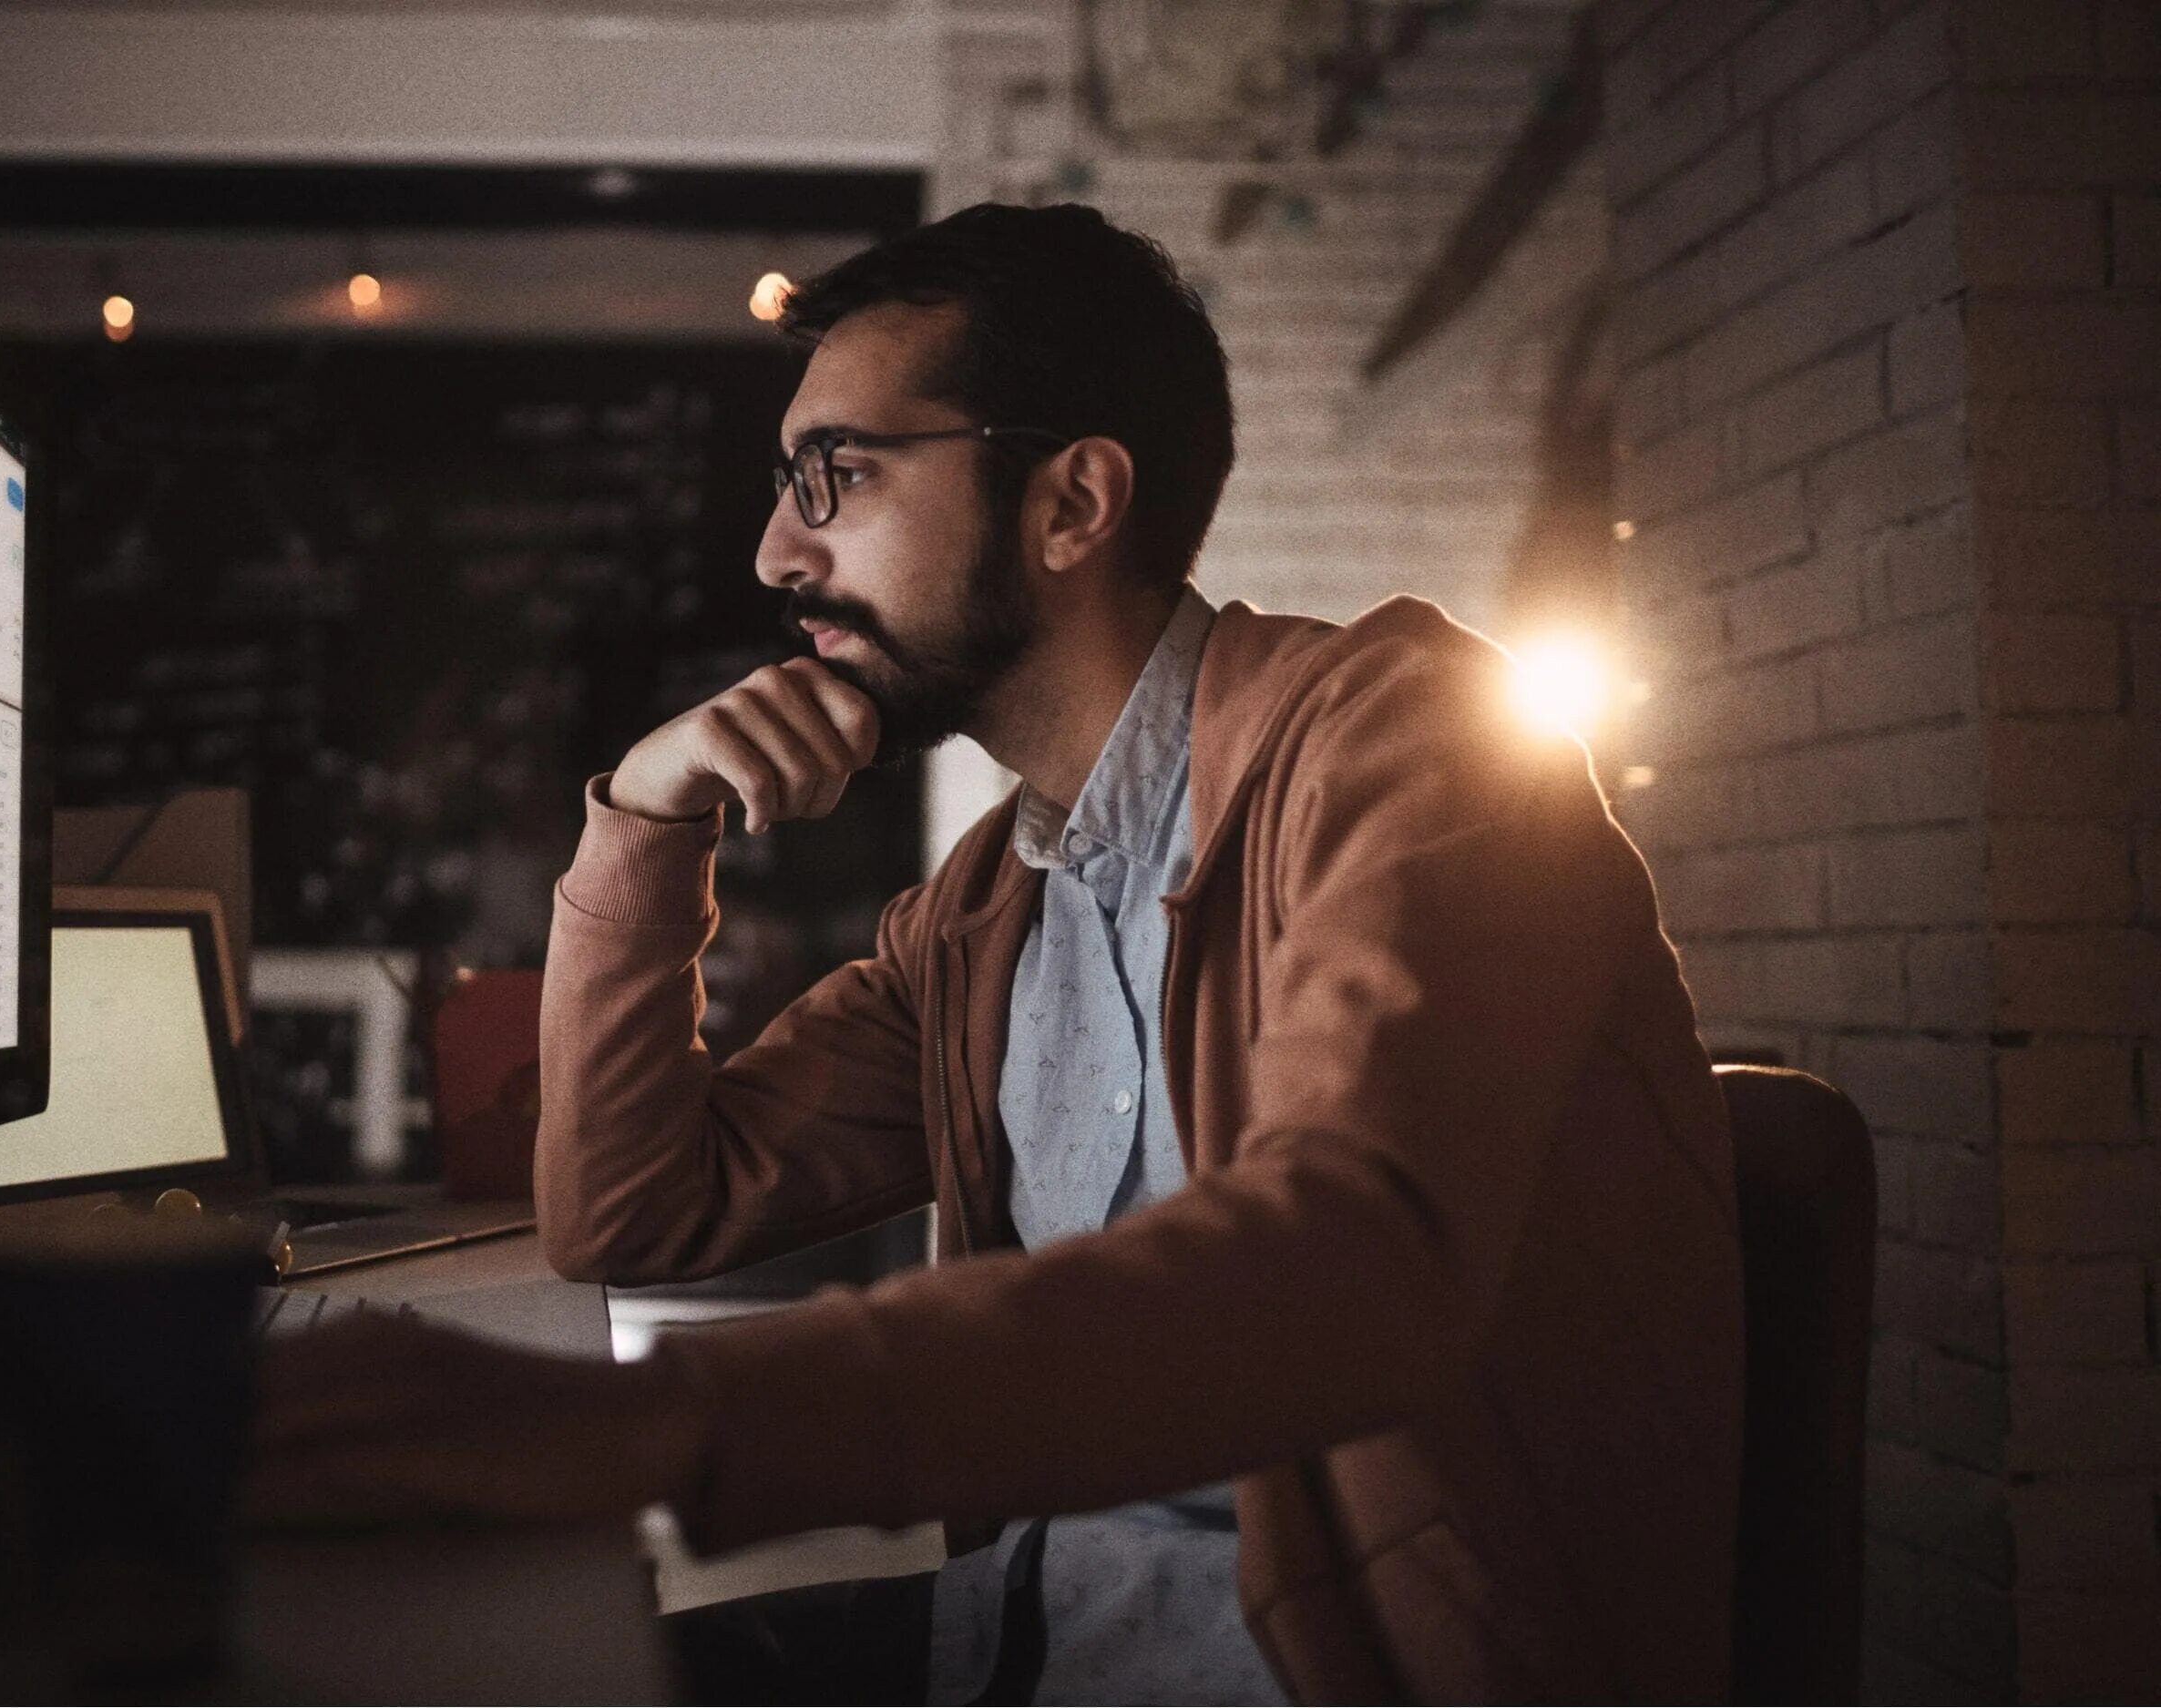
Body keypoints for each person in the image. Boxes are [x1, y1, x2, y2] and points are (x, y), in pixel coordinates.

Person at [253, 203, 1744, 1703]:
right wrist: (646, 822)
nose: (777, 550)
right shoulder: (987, 913)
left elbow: (1354, 1263)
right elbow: (633, 1214)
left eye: (835, 476)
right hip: (1021, 1641)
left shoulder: (1413, 746)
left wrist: (668, 1425)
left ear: (1071, 503)